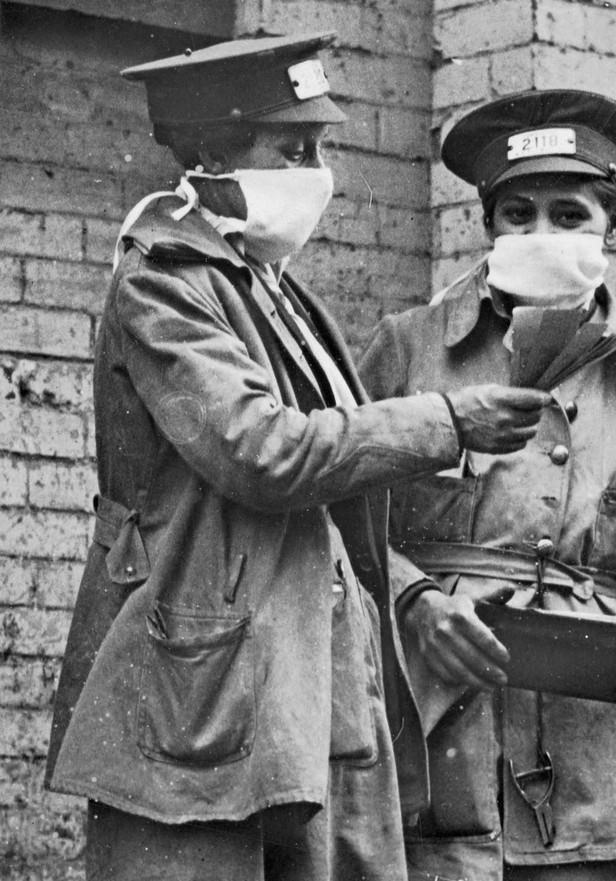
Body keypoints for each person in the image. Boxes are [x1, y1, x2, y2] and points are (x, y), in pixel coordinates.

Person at [44, 32, 550, 881]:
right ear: (209, 152)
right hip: (196, 692)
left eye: (320, 147)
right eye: (294, 148)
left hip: (302, 690)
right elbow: (261, 451)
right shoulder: (164, 280)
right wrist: (445, 421)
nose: (317, 171)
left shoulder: (269, 286)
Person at [357, 89, 616, 881]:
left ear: (612, 226)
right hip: (442, 716)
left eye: (569, 214)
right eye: (517, 214)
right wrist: (414, 601)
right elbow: (337, 527)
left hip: (595, 748)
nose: (541, 233)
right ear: (487, 226)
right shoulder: (410, 349)